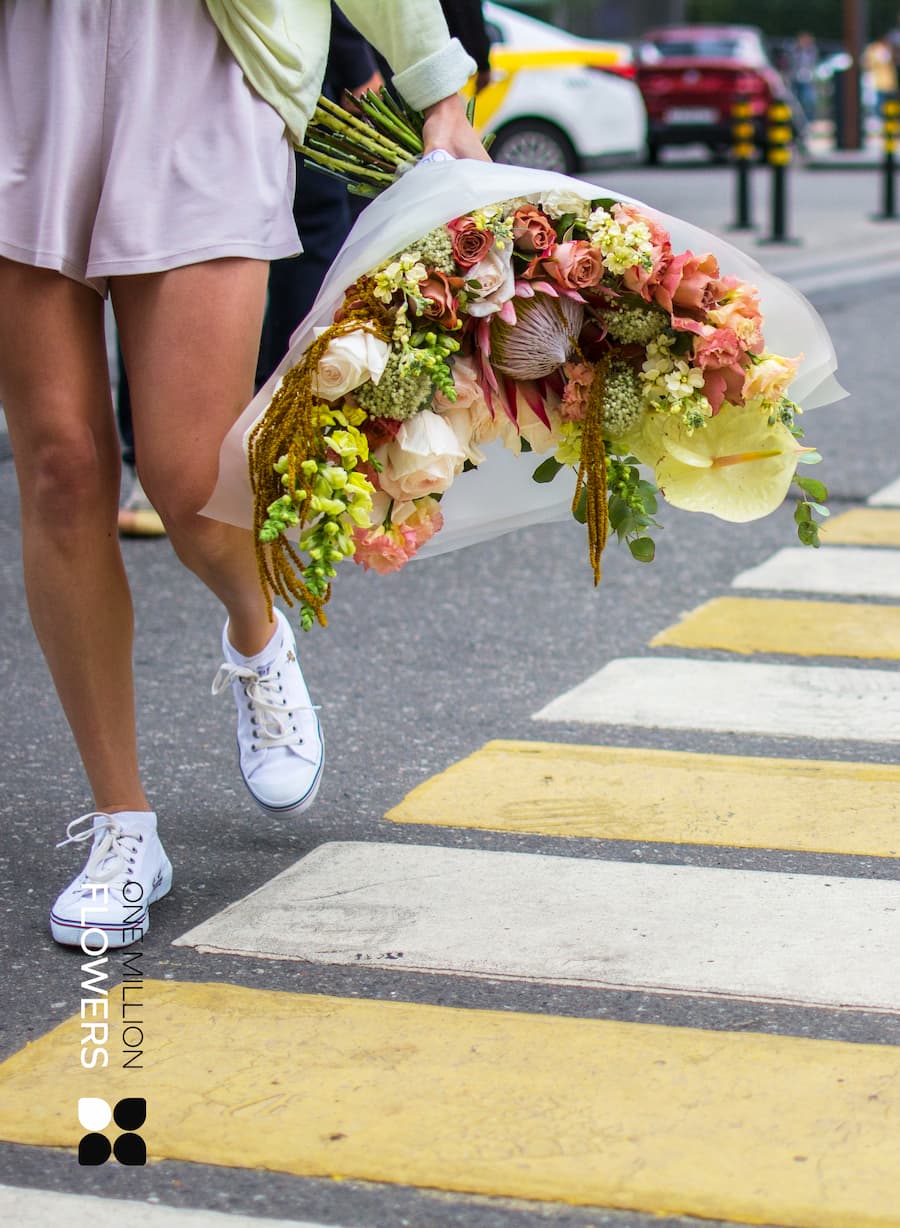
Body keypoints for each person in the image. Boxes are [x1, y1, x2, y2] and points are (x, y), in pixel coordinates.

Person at [0, 0, 487, 951]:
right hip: (30, 65)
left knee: (190, 485)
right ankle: (122, 826)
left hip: (205, 70)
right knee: (59, 469)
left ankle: (257, 634)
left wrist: (439, 87)